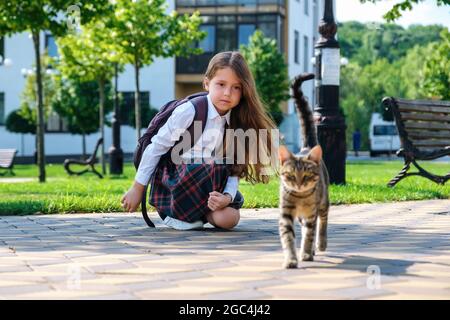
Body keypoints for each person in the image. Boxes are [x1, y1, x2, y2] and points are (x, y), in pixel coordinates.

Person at [121, 51, 277, 231]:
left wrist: (226, 197)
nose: (227, 93)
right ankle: (175, 215)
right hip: (176, 185)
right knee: (207, 164)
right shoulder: (190, 111)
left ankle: (203, 213)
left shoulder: (237, 122)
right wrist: (137, 188)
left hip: (208, 188)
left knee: (229, 219)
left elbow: (234, 169)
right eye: (221, 84)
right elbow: (156, 147)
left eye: (236, 87)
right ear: (206, 83)